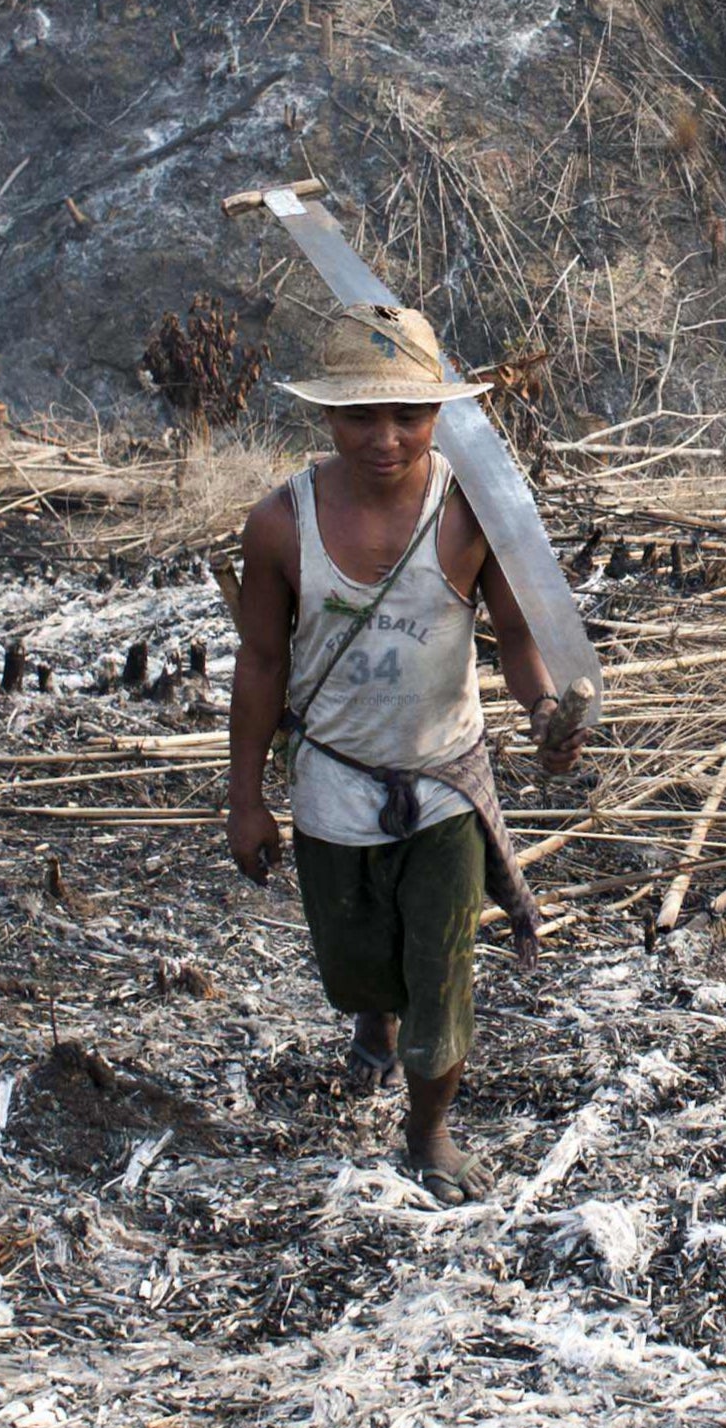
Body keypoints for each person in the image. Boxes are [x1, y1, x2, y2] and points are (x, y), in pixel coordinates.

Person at [225, 303, 584, 1204]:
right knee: (356, 968)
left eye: (409, 414)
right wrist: (244, 797)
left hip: (444, 786)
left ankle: (428, 1132)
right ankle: (373, 1024)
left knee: (441, 972)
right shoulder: (280, 524)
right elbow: (263, 661)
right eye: (360, 415)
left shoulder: (472, 516)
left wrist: (543, 710)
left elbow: (513, 635)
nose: (386, 437)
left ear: (438, 415)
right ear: (326, 417)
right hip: (334, 787)